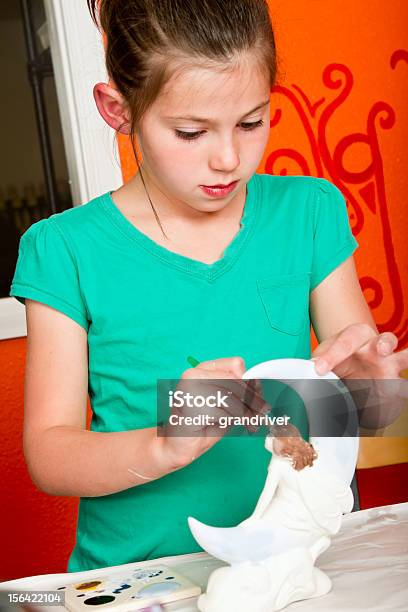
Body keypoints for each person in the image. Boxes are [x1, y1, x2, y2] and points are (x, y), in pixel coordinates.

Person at [9, 0, 407, 573]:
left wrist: (375, 391)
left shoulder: (309, 213)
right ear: (118, 110)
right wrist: (163, 444)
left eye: (252, 122)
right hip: (144, 574)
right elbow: (49, 453)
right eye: (191, 132)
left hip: (302, 562)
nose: (228, 159)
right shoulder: (65, 249)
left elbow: (367, 415)